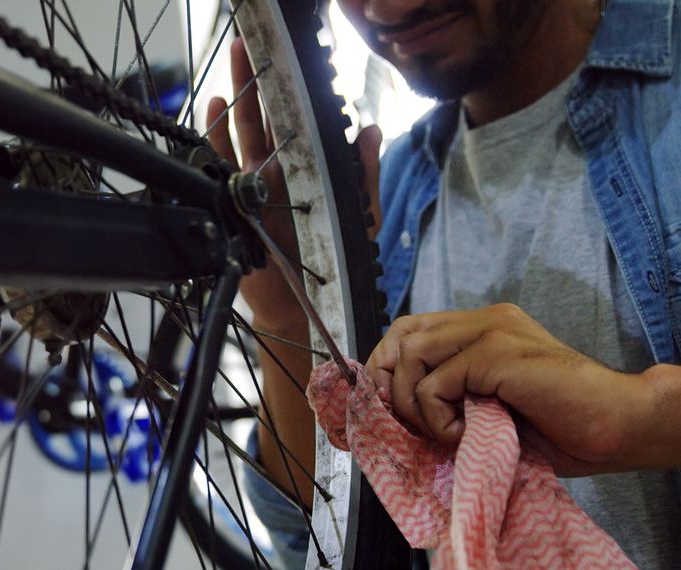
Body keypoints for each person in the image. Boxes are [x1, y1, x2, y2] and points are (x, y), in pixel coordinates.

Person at [207, 0, 681, 568]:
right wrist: (290, 317)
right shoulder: (393, 186)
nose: (386, 8)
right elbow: (316, 540)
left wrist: (637, 416)